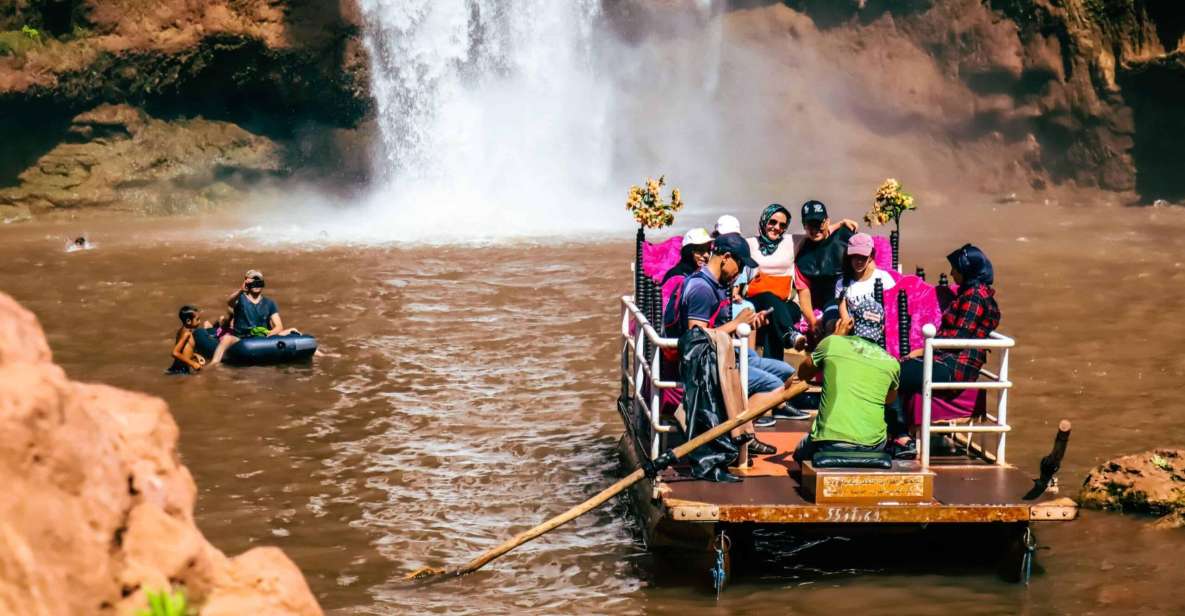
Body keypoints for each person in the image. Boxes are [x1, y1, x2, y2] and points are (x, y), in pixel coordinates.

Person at [672, 233, 799, 463]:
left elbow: (719, 328)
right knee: (775, 387)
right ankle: (738, 436)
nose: (740, 273)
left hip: (727, 353)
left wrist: (748, 322)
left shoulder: (717, 283)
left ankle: (742, 431)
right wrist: (736, 324)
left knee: (788, 374)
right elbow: (695, 340)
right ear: (726, 257)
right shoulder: (701, 288)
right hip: (709, 367)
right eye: (740, 265)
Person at [891, 244, 1001, 456]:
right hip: (947, 360)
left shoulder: (974, 296)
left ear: (967, 270)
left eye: (955, 269)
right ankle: (897, 433)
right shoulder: (972, 292)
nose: (951, 273)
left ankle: (901, 436)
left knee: (891, 372)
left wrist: (921, 351)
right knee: (896, 368)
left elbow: (959, 336)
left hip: (954, 367)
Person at [792, 304, 900, 463]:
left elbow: (803, 373)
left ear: (852, 323)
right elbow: (888, 400)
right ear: (882, 328)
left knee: (798, 454)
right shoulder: (892, 362)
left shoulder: (832, 343)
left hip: (830, 442)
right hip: (874, 445)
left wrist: (836, 336)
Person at [744, 204, 808, 361]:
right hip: (757, 300)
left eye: (782, 225)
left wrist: (841, 224)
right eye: (772, 222)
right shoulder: (749, 244)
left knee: (773, 317)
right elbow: (723, 241)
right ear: (764, 220)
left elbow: (818, 233)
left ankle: (774, 373)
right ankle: (789, 333)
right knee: (768, 297)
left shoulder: (792, 241)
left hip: (785, 303)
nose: (777, 227)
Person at [794, 200, 858, 336]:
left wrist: (841, 224)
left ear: (827, 221)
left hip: (854, 293)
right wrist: (812, 320)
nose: (815, 229)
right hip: (829, 301)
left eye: (819, 224)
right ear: (804, 226)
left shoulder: (845, 237)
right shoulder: (802, 255)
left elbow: (865, 260)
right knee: (833, 324)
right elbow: (804, 294)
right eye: (810, 225)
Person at [209, 270, 299, 366]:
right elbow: (230, 302)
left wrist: (269, 335)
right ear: (246, 283)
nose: (256, 284)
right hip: (241, 337)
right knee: (227, 338)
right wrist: (240, 290)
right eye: (253, 281)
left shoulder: (269, 303)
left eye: (258, 281)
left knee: (294, 330)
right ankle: (214, 363)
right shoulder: (240, 298)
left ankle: (316, 355)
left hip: (264, 336)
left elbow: (279, 326)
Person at [835, 232, 896, 340]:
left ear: (871, 257)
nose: (858, 261)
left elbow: (893, 310)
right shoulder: (842, 284)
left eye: (863, 257)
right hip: (855, 333)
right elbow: (845, 320)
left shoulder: (884, 278)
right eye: (855, 256)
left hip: (881, 333)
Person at [168, 305, 208, 375]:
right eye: (197, 319)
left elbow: (184, 350)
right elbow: (174, 353)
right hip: (180, 370)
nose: (200, 322)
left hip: (180, 368)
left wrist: (195, 355)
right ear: (188, 321)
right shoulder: (186, 334)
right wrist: (192, 363)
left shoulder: (183, 330)